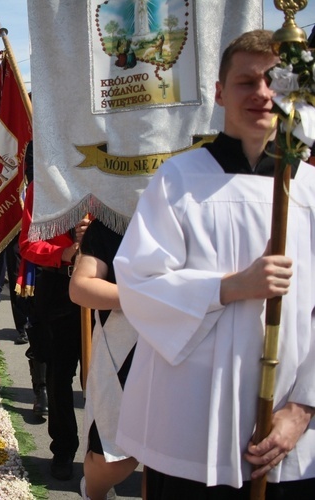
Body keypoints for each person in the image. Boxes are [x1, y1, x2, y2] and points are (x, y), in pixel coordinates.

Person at [114, 29, 315, 498]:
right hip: (191, 420)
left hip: (288, 432)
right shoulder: (179, 179)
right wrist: (229, 286)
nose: (263, 94)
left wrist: (303, 409)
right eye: (247, 81)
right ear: (221, 92)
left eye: (276, 81)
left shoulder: (309, 188)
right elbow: (138, 282)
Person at [19, 144, 91, 479]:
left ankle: (100, 452)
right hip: (59, 293)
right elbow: (29, 244)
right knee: (60, 376)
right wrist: (66, 253)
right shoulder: (42, 188)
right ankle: (63, 448)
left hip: (103, 292)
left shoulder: (107, 179)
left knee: (101, 379)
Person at [69, 219, 137, 500]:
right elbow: (81, 287)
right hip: (124, 351)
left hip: (194, 353)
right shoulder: (113, 223)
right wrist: (157, 299)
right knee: (113, 455)